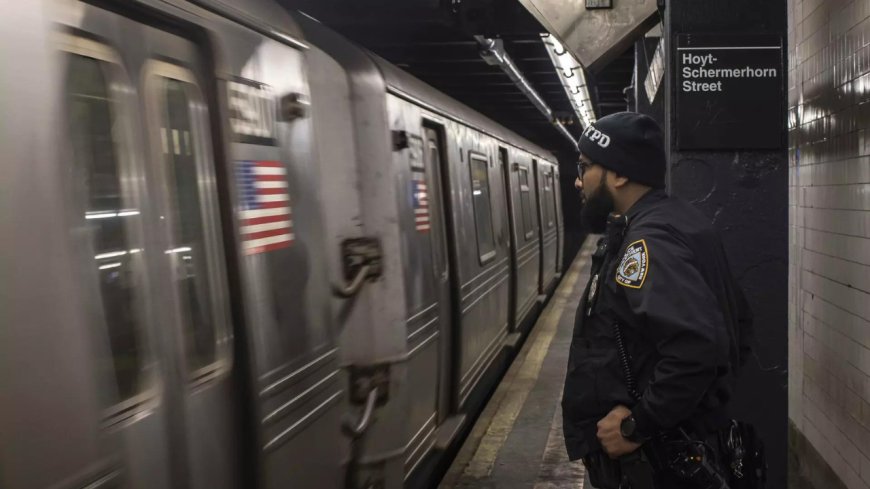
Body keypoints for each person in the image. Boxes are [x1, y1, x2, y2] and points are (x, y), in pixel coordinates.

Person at [561, 112, 753, 489]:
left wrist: (638, 424)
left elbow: (698, 345)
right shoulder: (679, 223)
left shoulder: (649, 244)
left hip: (656, 464)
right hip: (676, 446)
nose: (578, 180)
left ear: (619, 174)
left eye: (585, 167)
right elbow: (738, 327)